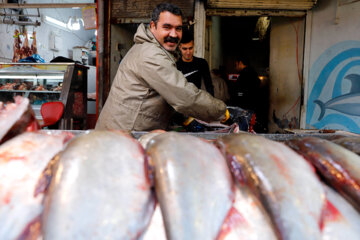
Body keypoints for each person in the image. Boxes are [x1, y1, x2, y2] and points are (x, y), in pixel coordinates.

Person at [95, 3, 230, 131]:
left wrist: (185, 117)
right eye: (167, 27)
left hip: (126, 133)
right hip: (121, 138)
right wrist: (224, 112)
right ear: (153, 26)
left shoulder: (154, 50)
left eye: (178, 28)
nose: (173, 34)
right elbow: (184, 97)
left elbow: (164, 94)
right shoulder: (151, 54)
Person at [176, 31, 214, 96]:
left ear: (194, 46)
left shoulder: (202, 63)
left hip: (196, 100)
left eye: (190, 48)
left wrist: (211, 103)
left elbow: (209, 86)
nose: (188, 52)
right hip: (181, 101)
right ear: (180, 48)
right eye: (185, 49)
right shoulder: (176, 65)